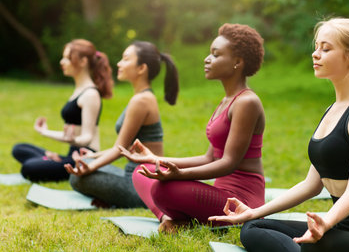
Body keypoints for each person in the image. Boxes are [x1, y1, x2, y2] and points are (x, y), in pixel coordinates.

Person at [209, 18, 349, 252]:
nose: (316, 54)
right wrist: (254, 212)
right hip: (339, 229)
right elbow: (310, 185)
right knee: (253, 228)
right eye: (316, 47)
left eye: (326, 48)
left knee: (303, 245)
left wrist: (326, 223)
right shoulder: (330, 112)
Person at [119, 23, 266, 232]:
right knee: (141, 172)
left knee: (163, 190)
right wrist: (155, 160)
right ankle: (169, 219)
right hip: (220, 192)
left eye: (216, 55)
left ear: (238, 62)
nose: (207, 59)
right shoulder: (227, 100)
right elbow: (209, 158)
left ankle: (175, 219)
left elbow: (228, 163)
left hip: (239, 202)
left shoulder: (246, 102)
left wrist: (178, 175)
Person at [64, 41, 179, 208]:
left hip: (143, 186)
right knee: (84, 164)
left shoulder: (141, 100)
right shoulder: (142, 97)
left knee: (77, 177)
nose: (119, 63)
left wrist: (91, 166)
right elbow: (122, 147)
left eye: (126, 59)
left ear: (141, 68)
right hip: (134, 176)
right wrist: (91, 156)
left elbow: (120, 149)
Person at [11, 39, 113, 182]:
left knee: (28, 168)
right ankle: (54, 159)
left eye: (67, 58)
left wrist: (70, 139)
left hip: (83, 159)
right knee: (19, 148)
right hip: (70, 155)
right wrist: (44, 132)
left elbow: (87, 137)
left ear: (83, 61)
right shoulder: (79, 90)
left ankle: (52, 160)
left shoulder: (90, 94)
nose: (62, 62)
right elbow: (72, 136)